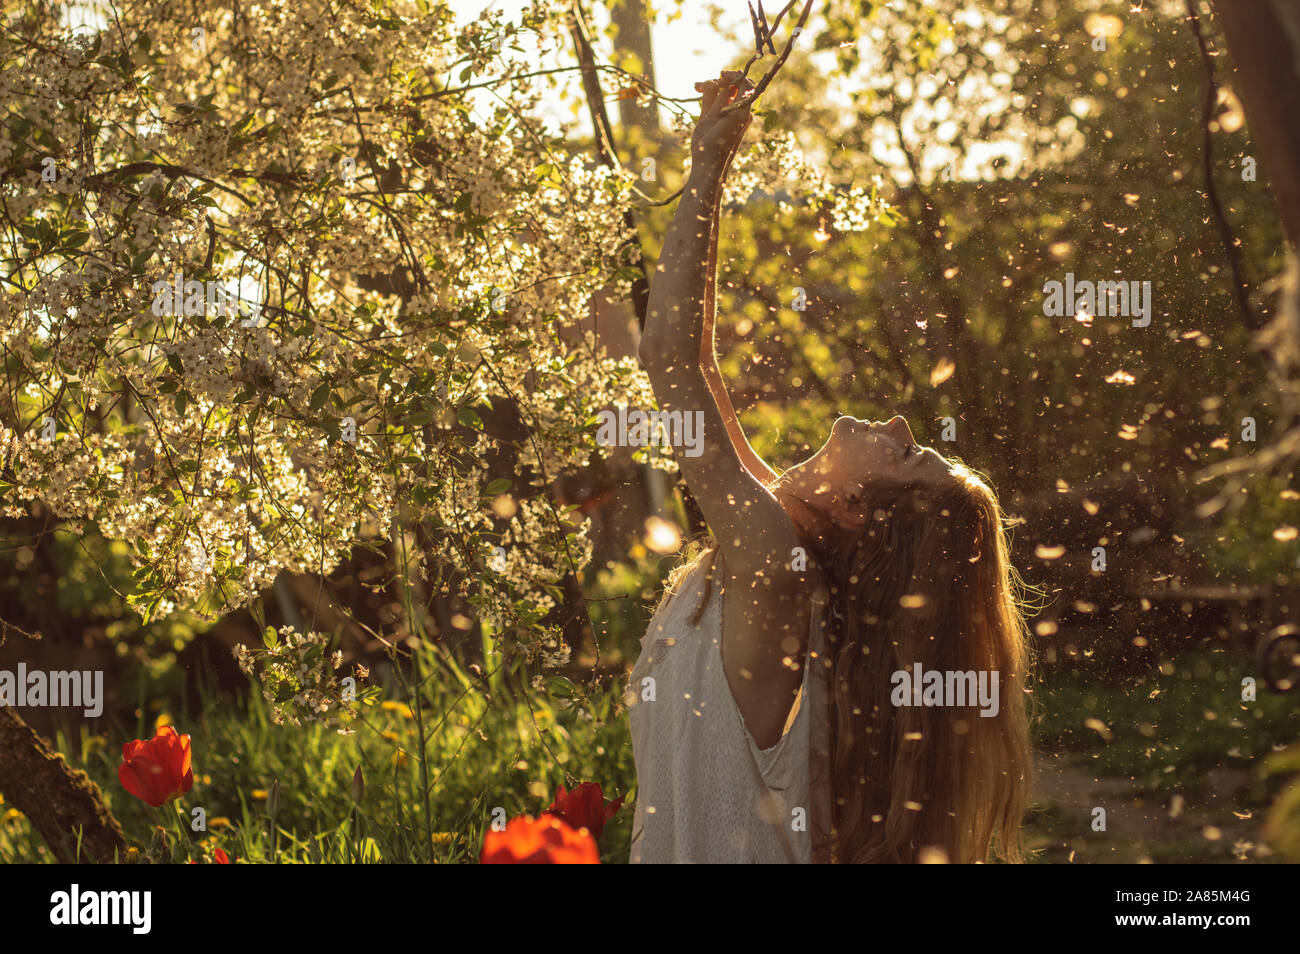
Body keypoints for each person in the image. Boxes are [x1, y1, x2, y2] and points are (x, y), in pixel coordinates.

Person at [627, 69, 1033, 863]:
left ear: (858, 508)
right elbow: (697, 366)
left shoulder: (776, 568)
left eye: (908, 454)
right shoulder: (782, 538)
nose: (900, 422)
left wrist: (709, 159)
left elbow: (665, 356)